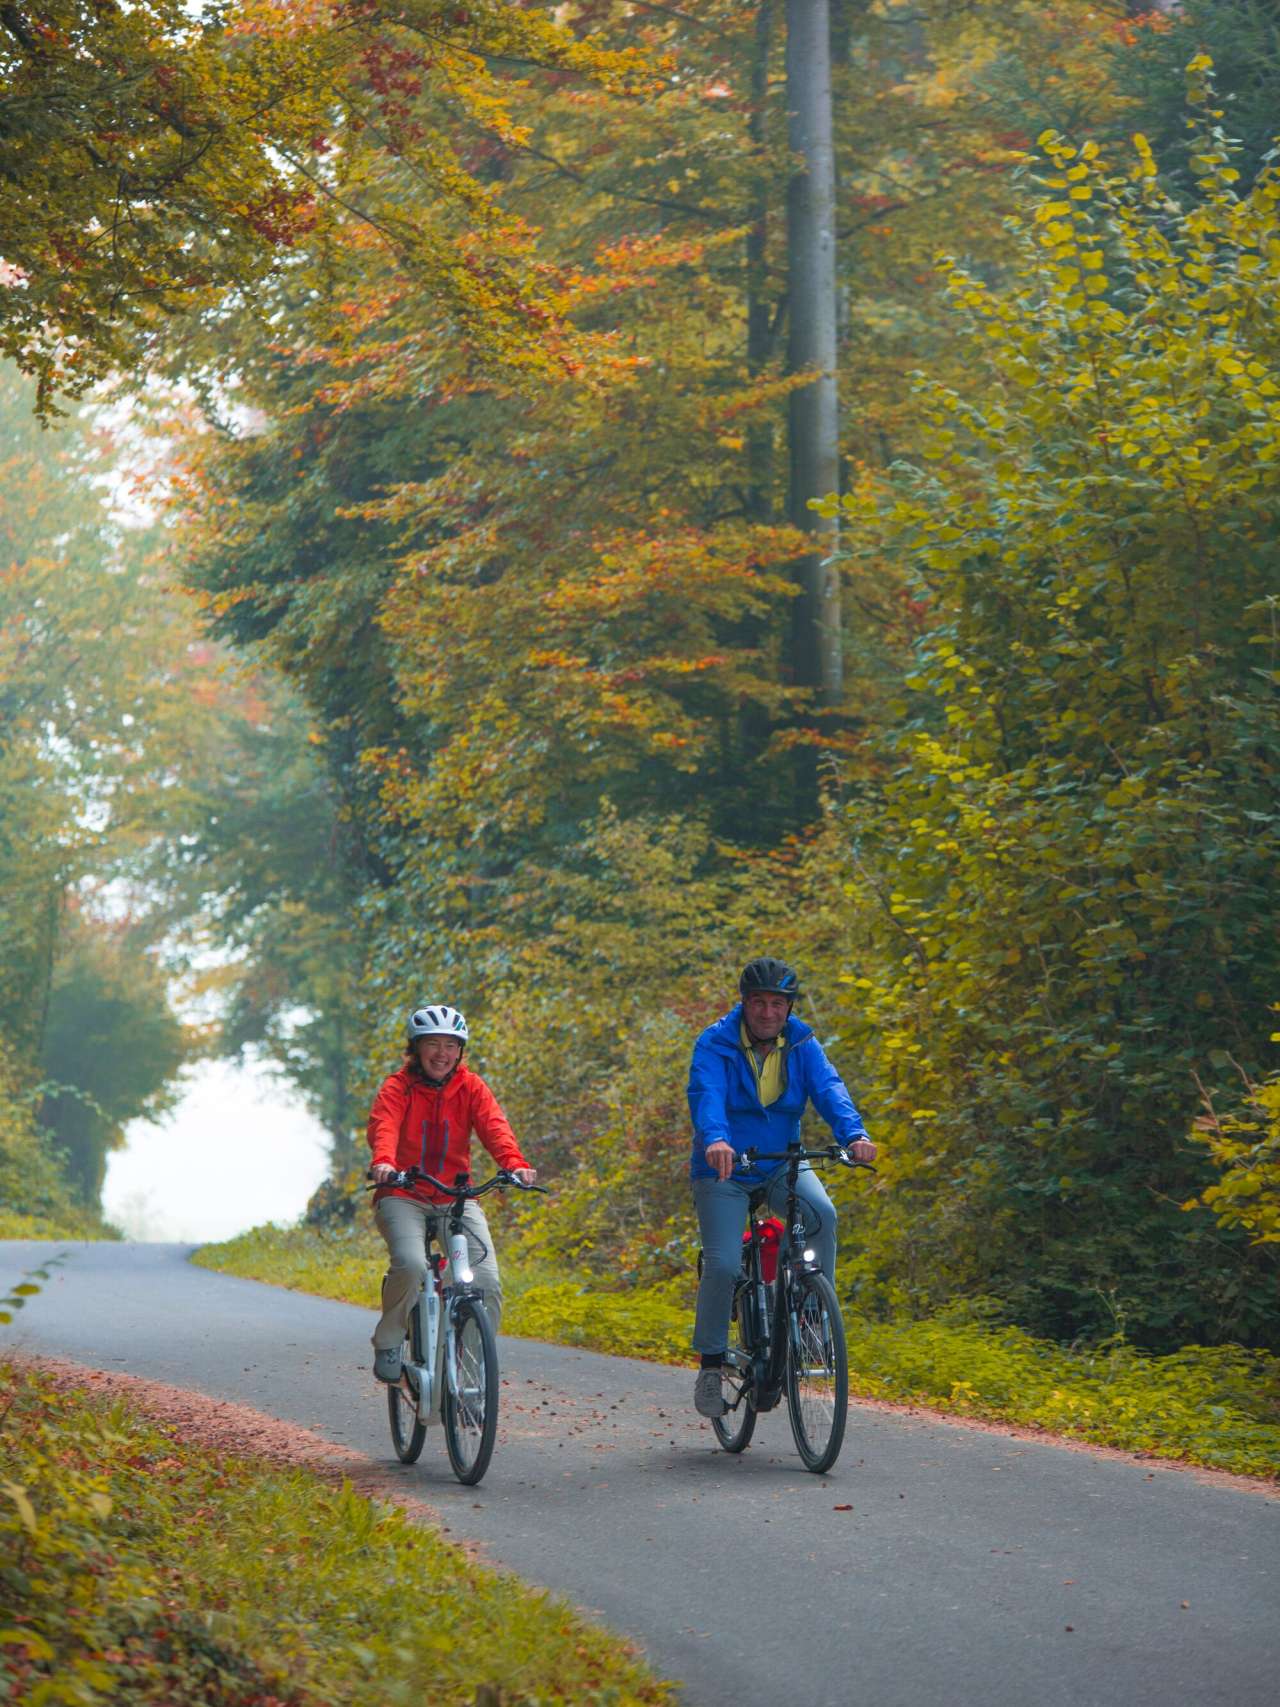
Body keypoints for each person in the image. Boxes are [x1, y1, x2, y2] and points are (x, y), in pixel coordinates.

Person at [686, 956, 876, 1418]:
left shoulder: (803, 1042)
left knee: (822, 1217)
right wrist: (715, 1140)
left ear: (789, 1007)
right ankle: (712, 1364)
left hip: (780, 1161)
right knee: (725, 1263)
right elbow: (706, 1094)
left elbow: (829, 1087)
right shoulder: (714, 1043)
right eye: (758, 1002)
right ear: (744, 1003)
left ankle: (812, 1322)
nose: (768, 1012)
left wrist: (853, 1134)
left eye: (777, 1003)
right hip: (725, 1167)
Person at [366, 1003, 535, 1384]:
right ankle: (389, 1340)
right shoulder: (397, 1087)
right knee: (410, 1263)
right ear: (416, 1048)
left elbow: (495, 1127)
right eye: (433, 1044)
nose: (442, 1054)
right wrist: (385, 1161)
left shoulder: (471, 1086)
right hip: (403, 1194)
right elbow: (385, 1126)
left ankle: (472, 1368)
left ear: (460, 1051)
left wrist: (514, 1164)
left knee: (486, 1282)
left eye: (450, 1045)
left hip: (455, 1197)